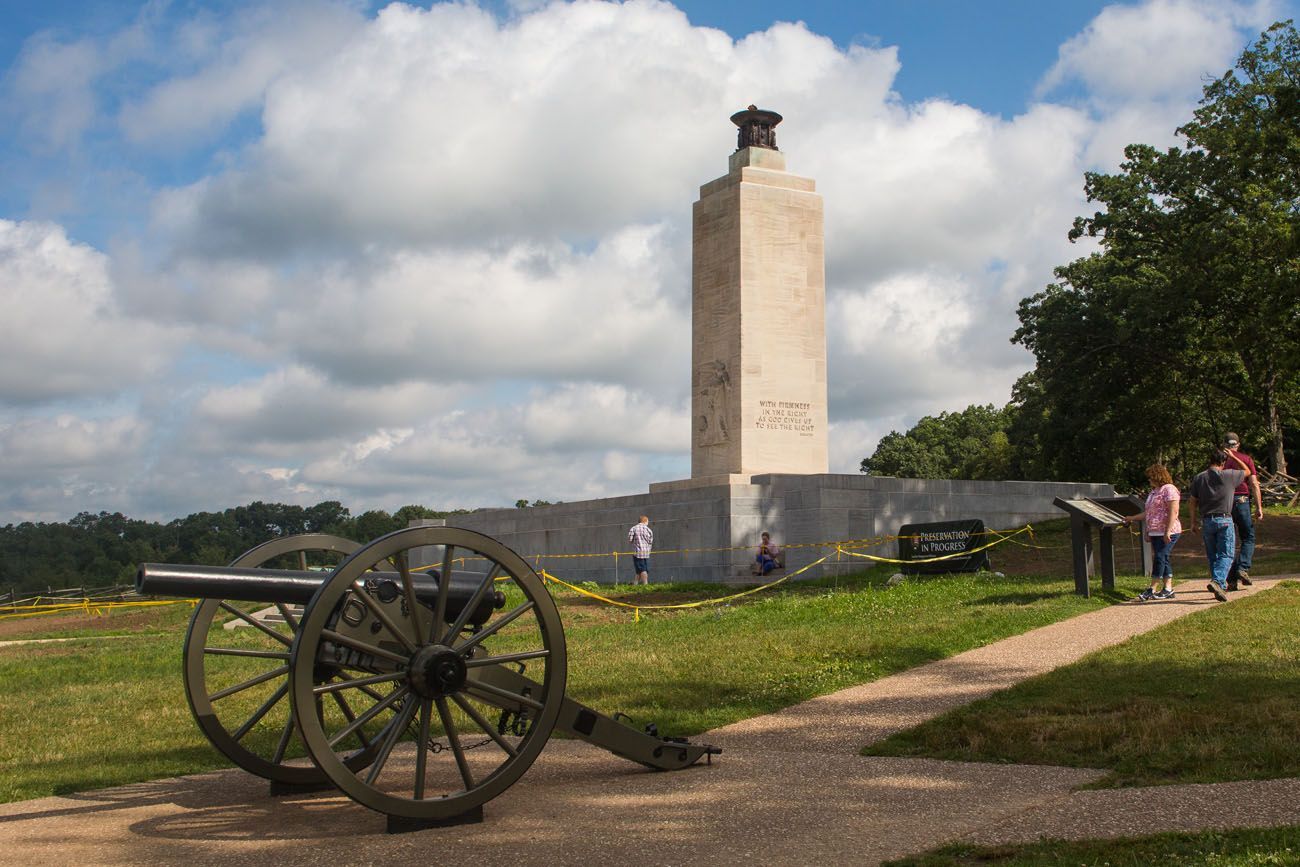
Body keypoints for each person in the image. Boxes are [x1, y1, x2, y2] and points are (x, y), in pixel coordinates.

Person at [1188, 447, 1248, 602]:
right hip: (1224, 519)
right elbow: (1247, 470)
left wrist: (1193, 521)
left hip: (1207, 520)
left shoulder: (1199, 478)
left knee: (1213, 555)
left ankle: (1219, 586)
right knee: (1227, 554)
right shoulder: (1229, 475)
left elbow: (1192, 501)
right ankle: (1217, 582)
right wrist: (1233, 457)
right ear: (1223, 462)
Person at [1123, 463, 1182, 601]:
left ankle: (1152, 589)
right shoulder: (1154, 492)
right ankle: (1168, 589)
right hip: (1155, 532)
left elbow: (1173, 511)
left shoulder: (1169, 489)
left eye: (1150, 477)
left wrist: (1167, 531)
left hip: (1169, 531)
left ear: (1157, 476)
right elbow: (1149, 513)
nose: (1149, 480)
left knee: (1160, 557)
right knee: (1163, 558)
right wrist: (1134, 519)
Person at [1223, 432, 1265, 590]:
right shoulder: (1246, 459)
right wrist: (1259, 507)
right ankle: (1243, 568)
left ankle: (1231, 581)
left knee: (1229, 542)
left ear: (1224, 444)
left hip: (1223, 504)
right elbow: (1254, 484)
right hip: (1241, 501)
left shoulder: (1219, 460)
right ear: (1238, 444)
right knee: (1248, 537)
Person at [627, 515, 653, 585]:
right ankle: (635, 584)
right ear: (645, 521)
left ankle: (645, 584)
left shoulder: (633, 528)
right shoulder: (648, 530)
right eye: (648, 521)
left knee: (642, 569)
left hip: (637, 553)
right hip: (646, 553)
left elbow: (630, 540)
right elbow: (650, 542)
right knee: (640, 569)